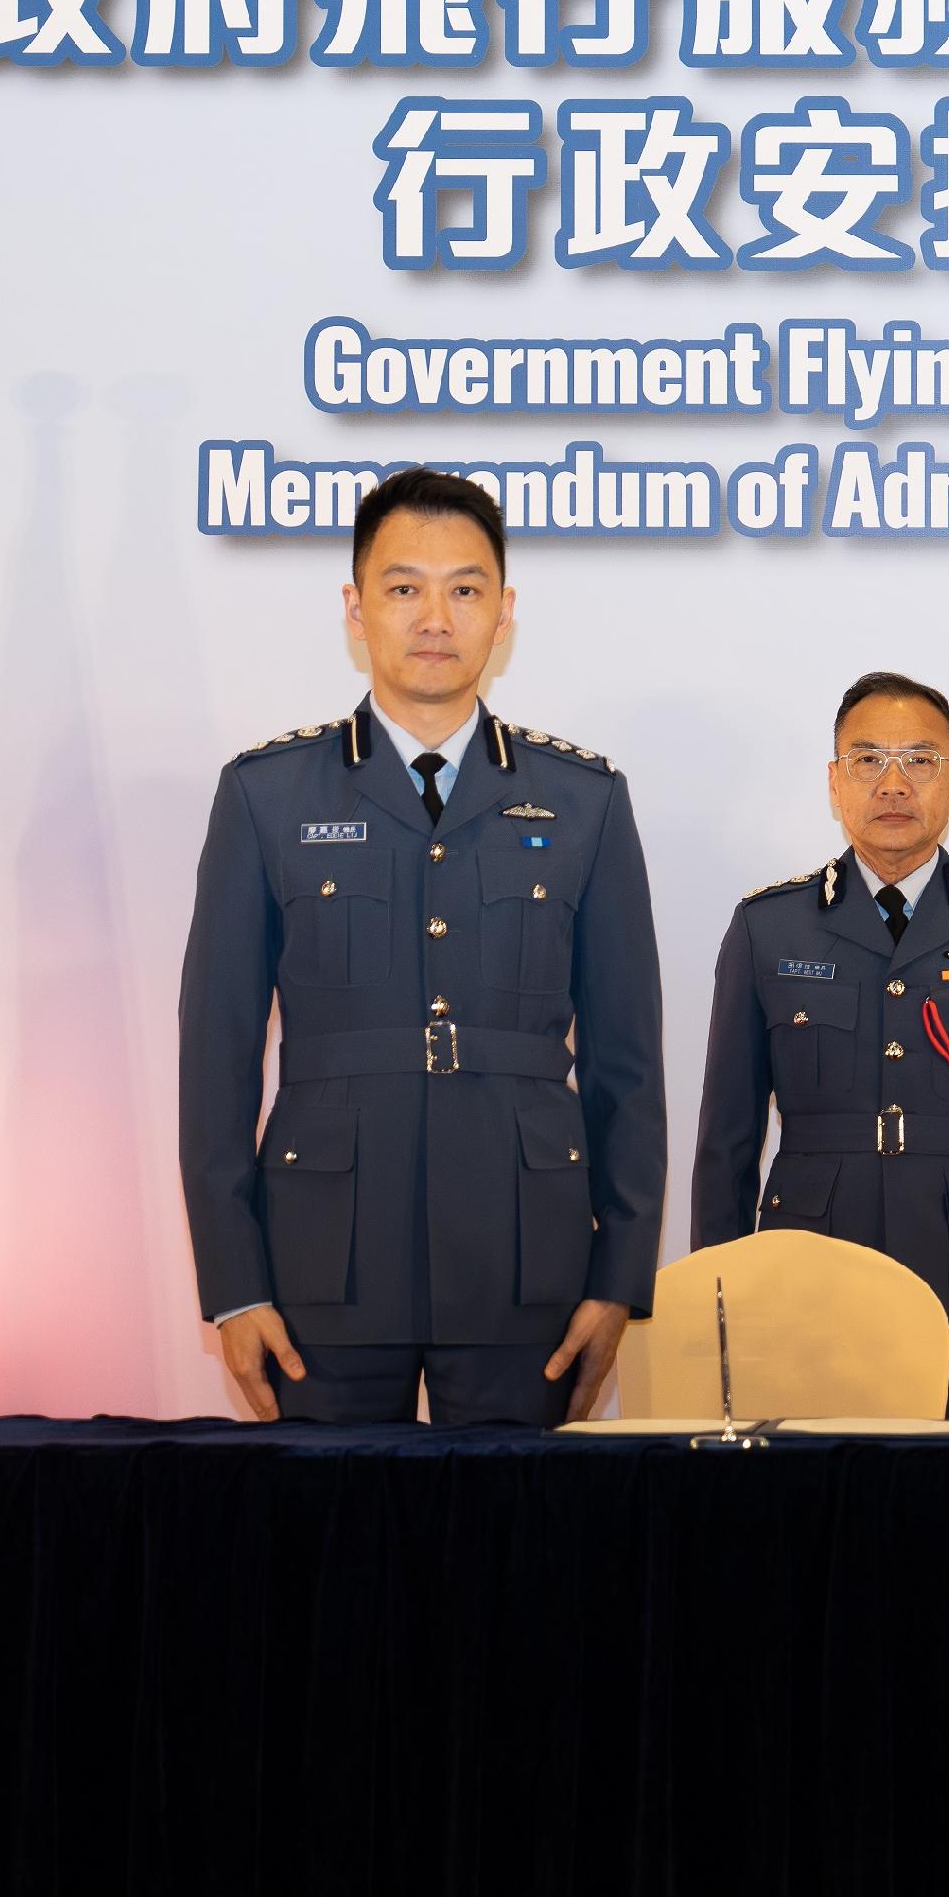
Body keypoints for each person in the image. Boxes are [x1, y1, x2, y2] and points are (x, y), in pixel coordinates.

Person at [178, 468, 666, 1425]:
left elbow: (627, 1066)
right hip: (326, 1263)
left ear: (504, 612)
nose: (434, 617)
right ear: (357, 610)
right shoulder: (266, 797)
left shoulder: (584, 802)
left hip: (529, 1269)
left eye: (465, 589)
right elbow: (216, 1057)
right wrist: (234, 1286)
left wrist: (621, 1278)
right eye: (404, 588)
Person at [692, 673, 949, 1420]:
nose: (893, 783)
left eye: (920, 761)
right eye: (867, 760)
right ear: (834, 780)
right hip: (803, 1276)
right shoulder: (769, 927)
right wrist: (720, 1299)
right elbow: (725, 1140)